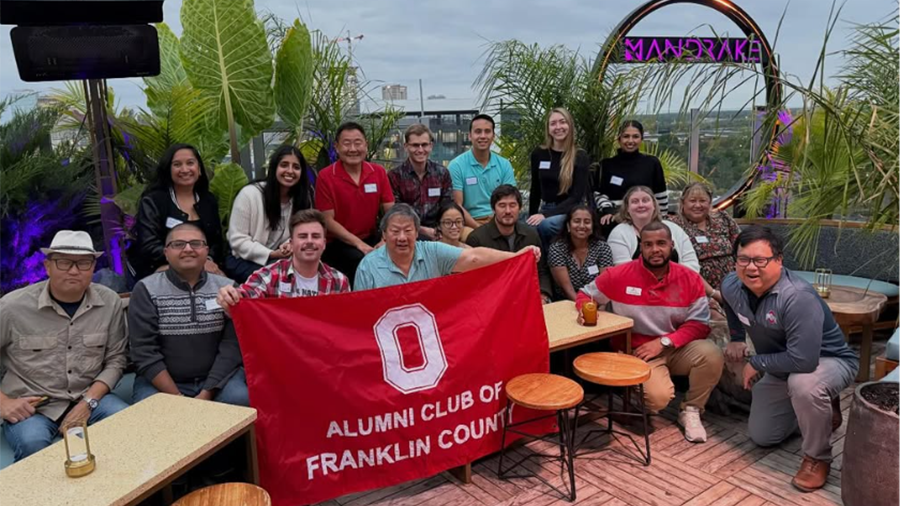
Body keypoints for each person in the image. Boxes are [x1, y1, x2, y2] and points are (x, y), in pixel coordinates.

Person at [720, 225, 858, 492]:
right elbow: (729, 304)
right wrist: (736, 336)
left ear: (779, 260)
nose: (751, 268)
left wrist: (757, 362)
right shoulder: (731, 285)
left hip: (826, 361)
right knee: (763, 436)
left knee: (805, 385)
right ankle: (822, 410)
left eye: (760, 260)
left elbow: (804, 361)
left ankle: (817, 457)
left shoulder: (797, 297)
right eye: (743, 259)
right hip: (783, 364)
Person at [576, 221, 723, 443]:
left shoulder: (690, 278)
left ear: (671, 245)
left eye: (661, 243)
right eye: (648, 244)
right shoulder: (619, 275)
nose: (655, 250)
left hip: (675, 347)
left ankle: (691, 410)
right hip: (637, 352)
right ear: (640, 247)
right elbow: (586, 294)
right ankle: (637, 392)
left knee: (711, 353)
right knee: (657, 399)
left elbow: (700, 324)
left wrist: (665, 342)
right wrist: (585, 311)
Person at [0, 231, 128, 461]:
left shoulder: (110, 302)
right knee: (33, 444)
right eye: (64, 262)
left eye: (83, 263)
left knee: (125, 422)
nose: (74, 270)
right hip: (34, 405)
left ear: (93, 267)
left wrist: (88, 403)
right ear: (47, 266)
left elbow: (116, 360)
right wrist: (4, 403)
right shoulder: (11, 307)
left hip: (89, 396)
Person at [129, 224, 248, 406]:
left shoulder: (228, 288)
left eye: (195, 243)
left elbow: (232, 346)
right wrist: (178, 398)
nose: (188, 249)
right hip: (162, 383)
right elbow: (144, 352)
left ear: (206, 251)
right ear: (166, 252)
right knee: (151, 414)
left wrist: (207, 393)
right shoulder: (146, 289)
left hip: (218, 381)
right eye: (178, 244)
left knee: (240, 399)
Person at [355, 204, 541, 290]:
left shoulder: (431, 251)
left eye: (408, 230)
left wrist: (517, 256)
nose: (402, 237)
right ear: (384, 235)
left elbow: (474, 257)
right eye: (395, 231)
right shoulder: (368, 266)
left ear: (417, 232)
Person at [217, 209, 351, 314]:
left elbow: (345, 324)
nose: (309, 241)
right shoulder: (269, 275)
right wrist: (229, 297)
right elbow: (243, 299)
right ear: (291, 244)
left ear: (324, 243)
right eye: (303, 236)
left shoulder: (339, 281)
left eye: (315, 236)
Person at [315, 122, 395, 283]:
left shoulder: (377, 172)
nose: (353, 149)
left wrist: (385, 239)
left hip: (371, 237)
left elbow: (391, 210)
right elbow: (327, 220)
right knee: (361, 261)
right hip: (338, 243)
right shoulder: (326, 176)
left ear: (366, 145)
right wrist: (359, 244)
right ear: (337, 147)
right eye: (346, 143)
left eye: (358, 143)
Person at [131, 144, 225, 280]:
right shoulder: (154, 201)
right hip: (163, 267)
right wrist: (190, 262)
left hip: (205, 267)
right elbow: (148, 246)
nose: (185, 169)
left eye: (190, 163)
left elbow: (216, 242)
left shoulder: (208, 200)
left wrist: (207, 259)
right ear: (168, 170)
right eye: (177, 164)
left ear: (199, 169)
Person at [226, 145, 314, 283]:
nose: (290, 171)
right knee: (278, 278)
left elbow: (301, 232)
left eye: (296, 167)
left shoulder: (302, 198)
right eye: (284, 165)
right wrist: (271, 254)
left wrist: (289, 245)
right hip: (243, 260)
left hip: (281, 259)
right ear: (274, 168)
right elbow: (237, 241)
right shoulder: (249, 195)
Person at [607, 186, 709, 294]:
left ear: (654, 205)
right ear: (627, 208)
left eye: (645, 200)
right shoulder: (619, 233)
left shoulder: (674, 229)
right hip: (637, 294)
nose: (641, 205)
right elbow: (623, 272)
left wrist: (670, 284)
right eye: (635, 202)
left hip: (679, 290)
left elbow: (692, 265)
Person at [466, 185, 553, 304]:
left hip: (526, 297)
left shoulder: (531, 235)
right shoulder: (477, 239)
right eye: (502, 205)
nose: (508, 211)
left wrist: (543, 295)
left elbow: (542, 271)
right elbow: (472, 282)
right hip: (492, 301)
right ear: (493, 209)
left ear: (519, 208)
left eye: (512, 205)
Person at [526, 107, 592, 247]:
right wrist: (531, 216)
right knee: (526, 229)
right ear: (548, 128)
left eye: (562, 122)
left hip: (571, 211)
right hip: (545, 208)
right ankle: (539, 265)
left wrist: (545, 216)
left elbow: (576, 197)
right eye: (553, 123)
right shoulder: (539, 153)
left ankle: (552, 264)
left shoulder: (580, 156)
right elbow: (535, 189)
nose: (558, 127)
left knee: (546, 226)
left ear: (569, 125)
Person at [669, 182, 741, 299]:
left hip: (734, 285)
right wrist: (713, 293)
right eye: (692, 201)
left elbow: (742, 246)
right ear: (683, 203)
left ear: (710, 202)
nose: (698, 205)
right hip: (696, 291)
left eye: (702, 201)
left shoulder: (723, 218)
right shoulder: (673, 225)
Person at [448, 113, 516, 231]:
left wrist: (497, 225)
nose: (483, 136)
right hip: (469, 223)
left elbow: (510, 201)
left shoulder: (504, 165)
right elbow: (457, 205)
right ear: (470, 136)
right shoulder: (456, 165)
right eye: (478, 131)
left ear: (493, 136)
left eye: (487, 131)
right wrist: (478, 228)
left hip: (500, 221)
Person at [593, 120, 668, 225]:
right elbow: (599, 194)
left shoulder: (652, 163)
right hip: (615, 219)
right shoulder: (606, 165)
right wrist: (609, 210)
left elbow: (660, 195)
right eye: (626, 136)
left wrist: (662, 221)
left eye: (635, 136)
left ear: (642, 139)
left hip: (646, 219)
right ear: (619, 139)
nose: (630, 141)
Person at [388, 124, 452, 239]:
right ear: (406, 146)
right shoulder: (395, 176)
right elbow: (397, 212)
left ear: (431, 146)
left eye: (424, 145)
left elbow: (447, 206)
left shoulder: (442, 173)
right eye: (415, 145)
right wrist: (422, 230)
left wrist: (441, 229)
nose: (420, 150)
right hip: (407, 232)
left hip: (438, 231)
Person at [548, 205, 613, 301]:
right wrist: (582, 305)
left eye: (587, 222)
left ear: (592, 226)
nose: (582, 226)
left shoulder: (603, 248)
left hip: (597, 302)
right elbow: (567, 289)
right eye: (577, 221)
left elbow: (605, 285)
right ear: (568, 225)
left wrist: (596, 307)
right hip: (566, 302)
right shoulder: (557, 248)